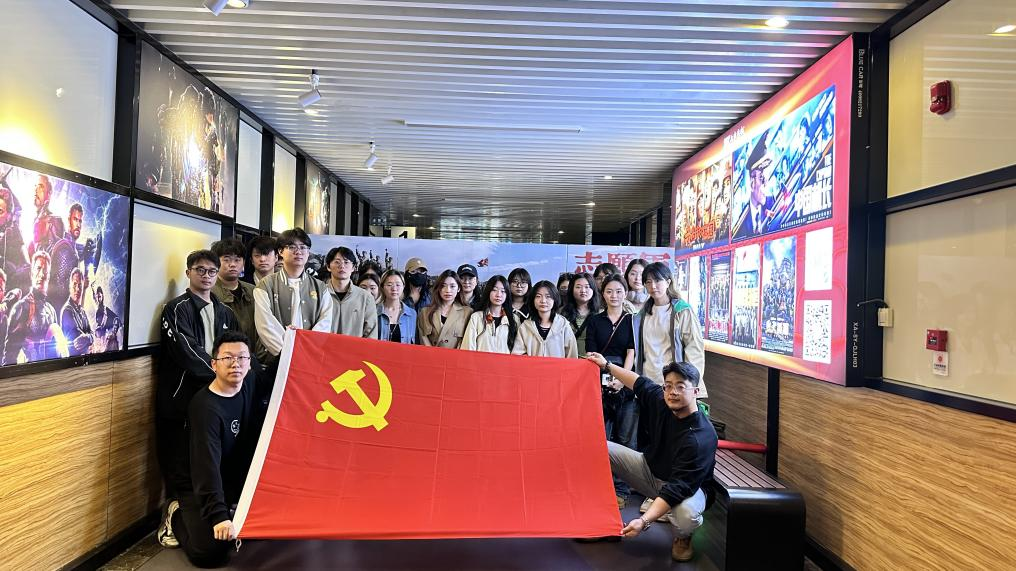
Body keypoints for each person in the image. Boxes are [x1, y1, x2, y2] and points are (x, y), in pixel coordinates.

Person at [582, 355, 716, 563]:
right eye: (668, 386)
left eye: (681, 386)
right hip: (650, 470)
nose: (673, 392)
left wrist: (643, 521)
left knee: (685, 515)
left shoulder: (701, 436)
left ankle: (684, 537)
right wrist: (606, 365)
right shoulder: (663, 401)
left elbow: (678, 487)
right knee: (595, 448)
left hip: (688, 488)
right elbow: (638, 382)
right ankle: (604, 522)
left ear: (696, 392)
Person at [156, 250, 241, 549]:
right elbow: (187, 351)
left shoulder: (225, 312)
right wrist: (221, 374)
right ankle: (174, 513)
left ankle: (214, 514)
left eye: (211, 271)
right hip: (182, 400)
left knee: (212, 459)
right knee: (181, 462)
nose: (206, 276)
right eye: (199, 270)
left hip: (217, 401)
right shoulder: (176, 308)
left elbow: (236, 350)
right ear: (188, 273)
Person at [166, 331, 269, 568]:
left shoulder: (248, 381)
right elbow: (206, 468)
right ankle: (175, 514)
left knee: (264, 532)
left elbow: (274, 376)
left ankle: (229, 507)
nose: (236, 364)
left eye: (242, 358)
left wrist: (294, 343)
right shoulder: (205, 409)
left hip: (229, 474)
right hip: (196, 481)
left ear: (249, 362)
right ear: (214, 364)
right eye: (227, 358)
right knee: (210, 553)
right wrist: (219, 516)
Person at [585, 274, 637, 506]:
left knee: (626, 439)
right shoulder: (595, 321)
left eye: (618, 291)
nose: (614, 296)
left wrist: (622, 379)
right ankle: (600, 488)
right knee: (601, 438)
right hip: (599, 383)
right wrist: (606, 374)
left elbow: (632, 351)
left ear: (625, 293)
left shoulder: (633, 321)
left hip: (627, 384)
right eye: (609, 291)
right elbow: (591, 353)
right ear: (602, 294)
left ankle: (622, 491)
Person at [253, 228, 332, 366]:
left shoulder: (320, 287)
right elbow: (265, 324)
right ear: (280, 251)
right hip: (274, 359)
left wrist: (306, 351)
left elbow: (325, 322)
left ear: (308, 252)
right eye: (292, 247)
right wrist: (287, 353)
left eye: (303, 247)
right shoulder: (265, 285)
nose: (298, 251)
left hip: (309, 358)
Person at [633, 262, 707, 396]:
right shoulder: (642, 315)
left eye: (657, 280)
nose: (653, 286)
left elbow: (694, 349)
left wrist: (689, 384)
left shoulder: (682, 310)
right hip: (647, 382)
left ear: (668, 282)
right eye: (648, 282)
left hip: (674, 384)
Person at [4, 250, 60, 365]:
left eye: (45, 270)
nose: (42, 274)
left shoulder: (51, 311)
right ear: (31, 273)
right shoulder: (21, 308)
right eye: (38, 268)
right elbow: (9, 358)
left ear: (49, 276)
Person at [211, 238, 258, 349]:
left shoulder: (253, 290)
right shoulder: (209, 292)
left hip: (252, 354)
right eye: (226, 260)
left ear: (244, 262)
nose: (232, 264)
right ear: (216, 262)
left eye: (237, 260)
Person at [512, 280, 576, 358]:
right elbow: (517, 356)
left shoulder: (563, 325)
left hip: (558, 366)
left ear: (555, 299)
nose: (543, 301)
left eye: (548, 296)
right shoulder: (525, 327)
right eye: (538, 296)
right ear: (533, 300)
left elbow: (572, 356)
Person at [323, 247, 377, 338]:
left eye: (346, 262)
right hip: (324, 347)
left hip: (355, 347)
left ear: (353, 267)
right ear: (328, 266)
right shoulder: (320, 294)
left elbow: (371, 334)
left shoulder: (365, 298)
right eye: (337, 262)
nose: (342, 266)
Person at [461, 275, 517, 354]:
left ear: (507, 294)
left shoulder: (513, 319)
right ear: (488, 292)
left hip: (505, 362)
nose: (498, 294)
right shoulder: (476, 317)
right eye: (494, 290)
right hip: (480, 362)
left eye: (503, 291)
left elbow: (517, 351)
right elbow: (468, 349)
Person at [418, 270, 470, 349]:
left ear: (459, 288)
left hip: (456, 356)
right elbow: (423, 338)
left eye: (452, 286)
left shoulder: (467, 312)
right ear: (438, 288)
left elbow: (465, 342)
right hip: (430, 355)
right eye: (443, 286)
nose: (448, 290)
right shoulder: (425, 312)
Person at [560, 272, 602, 356]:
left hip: (592, 360)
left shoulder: (601, 313)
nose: (583, 291)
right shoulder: (561, 313)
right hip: (567, 360)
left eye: (587, 287)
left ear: (593, 289)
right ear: (571, 289)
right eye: (578, 287)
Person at [60, 268, 94, 357]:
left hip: (86, 361)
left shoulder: (82, 311)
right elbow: (78, 342)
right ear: (69, 286)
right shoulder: (67, 311)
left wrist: (89, 337)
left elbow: (92, 333)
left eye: (80, 285)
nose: (78, 289)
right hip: (72, 362)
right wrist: (90, 339)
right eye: (74, 284)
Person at [377, 269, 417, 344]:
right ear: (382, 287)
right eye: (389, 285)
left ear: (403, 286)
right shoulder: (375, 312)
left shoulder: (412, 314)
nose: (394, 289)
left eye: (398, 285)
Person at [93, 285, 122, 352]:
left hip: (105, 335)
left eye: (99, 297)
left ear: (102, 296)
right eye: (97, 297)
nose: (98, 299)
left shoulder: (105, 309)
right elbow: (94, 298)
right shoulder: (97, 307)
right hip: (99, 336)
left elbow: (116, 319)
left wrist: (113, 332)